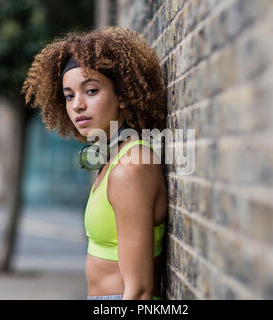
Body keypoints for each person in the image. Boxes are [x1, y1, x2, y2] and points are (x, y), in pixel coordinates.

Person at [22, 26, 168, 300]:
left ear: (122, 95)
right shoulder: (112, 159)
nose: (77, 105)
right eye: (69, 95)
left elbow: (140, 291)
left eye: (90, 91)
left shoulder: (131, 167)